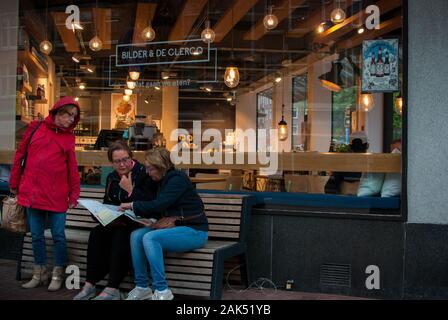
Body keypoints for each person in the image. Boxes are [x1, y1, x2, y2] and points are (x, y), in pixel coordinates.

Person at [9, 96, 81, 291]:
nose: (71, 120)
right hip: (33, 192)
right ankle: (39, 273)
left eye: (74, 117)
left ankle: (57, 273)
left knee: (58, 235)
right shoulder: (34, 128)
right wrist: (14, 181)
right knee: (37, 236)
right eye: (69, 115)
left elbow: (72, 168)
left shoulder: (68, 137)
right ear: (58, 112)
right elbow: (20, 155)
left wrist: (74, 193)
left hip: (57, 195)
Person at [119, 148, 208, 300]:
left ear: (161, 167)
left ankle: (162, 291)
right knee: (136, 235)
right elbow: (158, 206)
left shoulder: (177, 179)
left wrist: (132, 205)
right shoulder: (162, 181)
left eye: (150, 168)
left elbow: (160, 204)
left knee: (150, 238)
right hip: (175, 229)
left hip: (195, 231)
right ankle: (142, 287)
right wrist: (152, 219)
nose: (147, 172)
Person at [73, 141, 157, 300]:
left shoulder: (144, 174)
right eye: (117, 161)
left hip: (139, 222)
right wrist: (98, 213)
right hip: (119, 221)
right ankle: (90, 284)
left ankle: (112, 288)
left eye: (125, 159)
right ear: (111, 163)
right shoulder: (112, 177)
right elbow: (109, 202)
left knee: (122, 235)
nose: (122, 164)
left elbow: (151, 203)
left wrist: (130, 191)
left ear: (131, 157)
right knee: (97, 233)